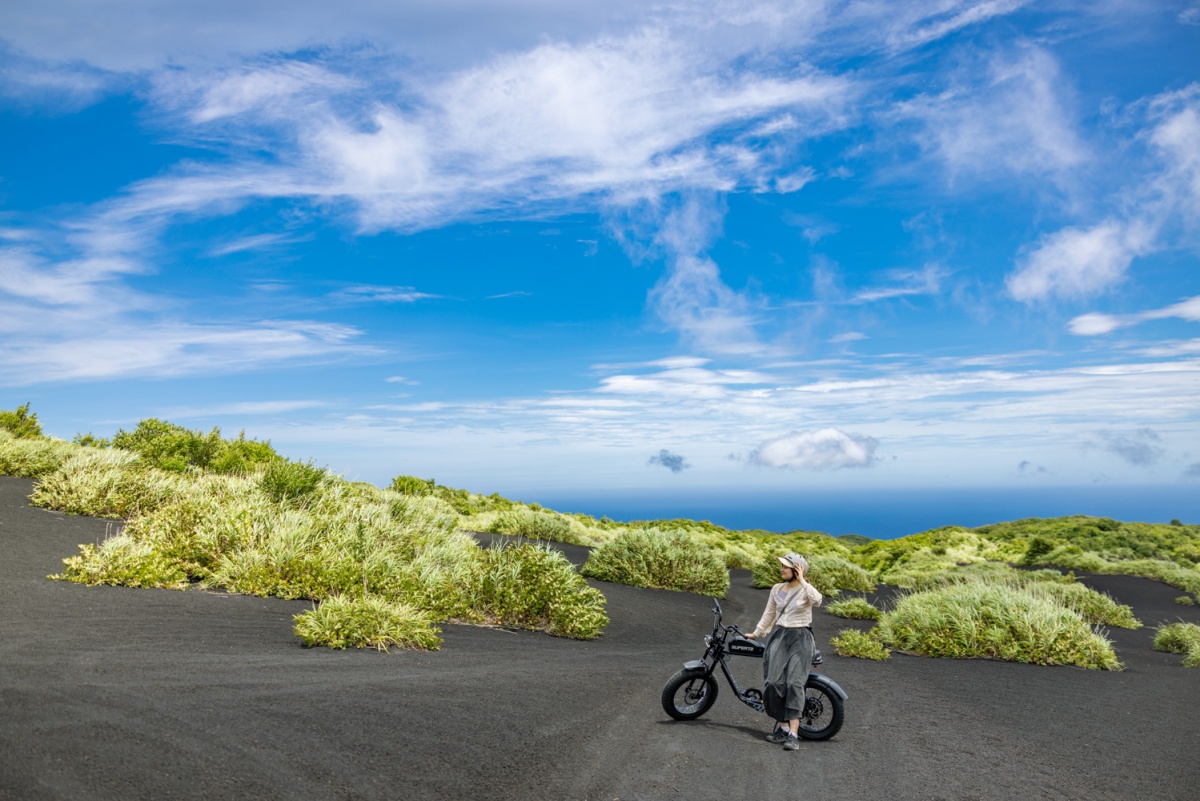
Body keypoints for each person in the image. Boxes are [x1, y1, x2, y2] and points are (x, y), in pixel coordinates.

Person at [744, 553, 822, 751]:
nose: (782, 569)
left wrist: (803, 580)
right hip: (779, 636)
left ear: (797, 569)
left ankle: (794, 735)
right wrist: (757, 633)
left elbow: (818, 600)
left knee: (794, 683)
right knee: (773, 682)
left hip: (801, 637)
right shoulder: (777, 589)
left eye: (786, 567)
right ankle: (783, 728)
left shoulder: (805, 590)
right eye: (783, 566)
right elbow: (770, 613)